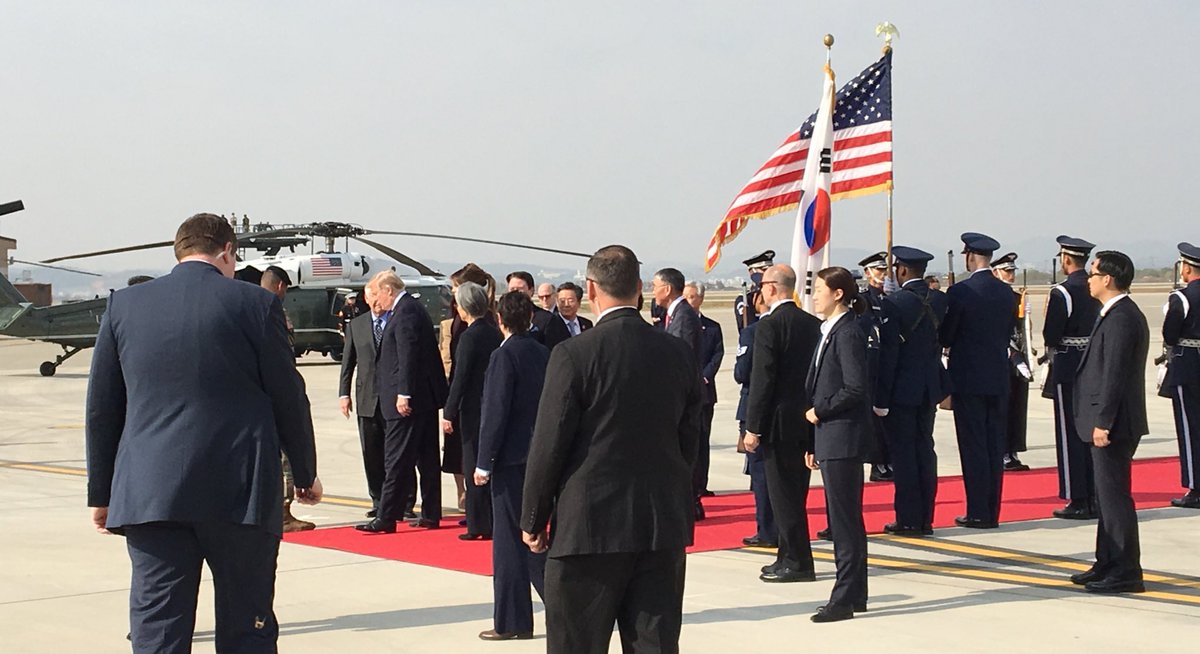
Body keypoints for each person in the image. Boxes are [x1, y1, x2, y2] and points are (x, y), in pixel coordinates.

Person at [86, 213, 322, 652]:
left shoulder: (125, 306)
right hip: (239, 494)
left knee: (158, 629)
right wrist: (305, 473)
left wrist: (102, 492)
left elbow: (103, 408)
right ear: (228, 252)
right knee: (246, 626)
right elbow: (288, 397)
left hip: (151, 494)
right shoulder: (256, 304)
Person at [521, 245, 703, 654]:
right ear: (639, 288)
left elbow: (549, 443)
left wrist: (534, 515)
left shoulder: (574, 354)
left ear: (590, 289)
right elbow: (690, 438)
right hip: (659, 526)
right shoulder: (677, 352)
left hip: (588, 529)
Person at [1069, 250, 1149, 594]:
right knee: (1106, 497)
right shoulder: (1114, 314)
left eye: (1093, 273)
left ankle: (1126, 570)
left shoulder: (1122, 318)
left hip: (1114, 423)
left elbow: (1114, 375)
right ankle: (1107, 561)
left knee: (1115, 498)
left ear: (1108, 279)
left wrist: (1103, 422)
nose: (1088, 279)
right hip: (1108, 419)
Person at [474, 291, 551, 641]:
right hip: (540, 457)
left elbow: (495, 412)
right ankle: (566, 604)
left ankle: (512, 620)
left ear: (499, 320)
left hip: (510, 460)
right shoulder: (543, 353)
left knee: (508, 542)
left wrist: (484, 462)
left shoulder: (503, 356)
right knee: (536, 536)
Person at [743, 264, 822, 582]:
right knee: (795, 494)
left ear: (773, 288)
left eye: (762, 285)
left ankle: (798, 562)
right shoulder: (812, 324)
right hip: (805, 420)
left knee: (783, 497)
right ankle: (786, 555)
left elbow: (763, 380)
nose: (760, 291)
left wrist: (753, 428)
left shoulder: (770, 325)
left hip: (778, 424)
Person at [356, 270, 448, 533]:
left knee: (395, 458)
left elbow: (408, 355)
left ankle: (386, 517)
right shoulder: (411, 308)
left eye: (378, 294)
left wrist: (403, 393)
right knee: (427, 458)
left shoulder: (405, 312)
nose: (376, 301)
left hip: (408, 401)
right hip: (424, 399)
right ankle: (430, 513)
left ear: (389, 290)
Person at [805, 267, 871, 623]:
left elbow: (855, 387)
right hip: (829, 437)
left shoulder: (847, 332)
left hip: (842, 436)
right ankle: (855, 593)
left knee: (844, 523)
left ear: (839, 294)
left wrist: (820, 410)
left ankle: (844, 598)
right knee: (845, 520)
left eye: (820, 289)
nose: (815, 295)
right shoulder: (829, 330)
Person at [941, 232, 1017, 529]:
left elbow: (947, 336)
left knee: (973, 447)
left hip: (968, 378)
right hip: (998, 376)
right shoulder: (1006, 293)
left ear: (970, 257)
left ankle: (977, 511)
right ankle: (992, 510)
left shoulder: (960, 292)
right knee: (994, 446)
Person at [875, 246, 949, 536]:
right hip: (929, 387)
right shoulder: (940, 299)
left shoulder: (894, 303)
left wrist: (881, 397)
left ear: (902, 270)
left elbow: (889, 353)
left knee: (904, 455)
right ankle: (925, 517)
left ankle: (908, 519)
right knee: (925, 450)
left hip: (902, 389)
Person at [339, 282, 414, 520]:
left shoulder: (396, 320)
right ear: (367, 299)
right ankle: (379, 500)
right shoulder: (357, 325)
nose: (377, 303)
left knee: (398, 453)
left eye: (378, 297)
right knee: (371, 453)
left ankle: (405, 502)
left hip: (393, 398)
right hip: (367, 398)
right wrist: (343, 394)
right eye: (373, 298)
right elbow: (348, 363)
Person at [1044, 235, 1101, 519]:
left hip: (1068, 364)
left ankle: (1078, 497)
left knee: (1069, 433)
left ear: (1066, 259)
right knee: (1091, 431)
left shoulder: (1062, 292)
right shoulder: (1096, 287)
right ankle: (1095, 494)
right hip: (1093, 362)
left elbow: (1051, 335)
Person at [442, 281, 502, 540]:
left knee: (472, 465)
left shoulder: (469, 337)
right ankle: (492, 519)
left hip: (472, 409)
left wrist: (449, 411)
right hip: (491, 405)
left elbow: (461, 377)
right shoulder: (494, 332)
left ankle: (477, 524)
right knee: (489, 464)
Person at [260, 266, 316, 533]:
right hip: (277, 395)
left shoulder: (247, 309)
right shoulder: (272, 312)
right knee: (285, 457)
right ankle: (283, 512)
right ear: (281, 286)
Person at [653, 267, 704, 519]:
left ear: (667, 289)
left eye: (655, 287)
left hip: (682, 400)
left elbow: (680, 361)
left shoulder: (683, 316)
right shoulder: (674, 314)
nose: (653, 292)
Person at [736, 283, 776, 547]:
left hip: (755, 409)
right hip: (784, 411)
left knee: (761, 475)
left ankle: (767, 530)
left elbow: (742, 373)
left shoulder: (753, 332)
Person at [1161, 242, 1200, 509]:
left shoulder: (1182, 298)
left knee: (1189, 427)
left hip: (1188, 364)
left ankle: (1195, 486)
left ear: (1186, 268)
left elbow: (1170, 334)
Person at [991, 252, 1033, 472]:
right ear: (995, 272)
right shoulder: (993, 297)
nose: (1010, 275)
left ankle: (1013, 449)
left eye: (1012, 271)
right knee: (1002, 408)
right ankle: (1002, 452)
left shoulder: (1018, 298)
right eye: (1006, 271)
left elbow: (1023, 329)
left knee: (1018, 406)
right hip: (1001, 358)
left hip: (1019, 359)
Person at [684, 280, 723, 500]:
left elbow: (717, 355)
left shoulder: (712, 327)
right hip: (683, 392)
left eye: (691, 297)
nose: (688, 301)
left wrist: (704, 377)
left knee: (702, 440)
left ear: (700, 299)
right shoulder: (675, 324)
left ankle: (701, 484)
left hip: (705, 393)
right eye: (685, 297)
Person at [857, 251, 893, 482]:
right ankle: (878, 462)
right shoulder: (864, 300)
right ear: (868, 273)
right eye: (878, 270)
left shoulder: (890, 298)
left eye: (884, 269)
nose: (883, 274)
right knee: (875, 420)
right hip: (873, 364)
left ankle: (890, 459)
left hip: (890, 362)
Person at [543, 281, 592, 349]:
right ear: (557, 302)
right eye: (562, 301)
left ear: (579, 303)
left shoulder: (587, 324)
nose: (566, 305)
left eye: (570, 301)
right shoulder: (550, 325)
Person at [734, 249, 774, 332]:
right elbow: (748, 326)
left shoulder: (776, 295)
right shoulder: (745, 299)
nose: (768, 274)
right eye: (764, 270)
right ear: (752, 271)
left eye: (770, 270)